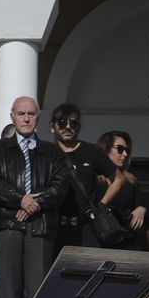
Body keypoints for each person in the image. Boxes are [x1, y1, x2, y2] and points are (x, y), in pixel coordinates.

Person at [0, 95, 70, 298]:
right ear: (12, 117)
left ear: (37, 118)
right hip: (8, 224)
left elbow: (59, 186)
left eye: (31, 114)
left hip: (40, 225)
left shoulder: (53, 152)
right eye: (21, 114)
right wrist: (21, 199)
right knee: (9, 290)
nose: (26, 118)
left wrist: (35, 203)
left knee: (38, 289)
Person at [50, 103, 123, 248]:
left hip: (86, 226)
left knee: (88, 269)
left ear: (79, 126)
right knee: (56, 270)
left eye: (73, 123)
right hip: (55, 226)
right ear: (52, 127)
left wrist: (102, 204)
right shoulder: (46, 152)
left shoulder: (92, 151)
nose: (68, 127)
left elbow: (119, 178)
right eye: (62, 122)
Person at [97, 131, 149, 250]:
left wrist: (141, 208)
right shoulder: (94, 179)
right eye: (120, 149)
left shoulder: (131, 181)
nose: (124, 154)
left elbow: (144, 214)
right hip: (100, 242)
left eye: (126, 150)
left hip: (129, 242)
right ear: (105, 149)